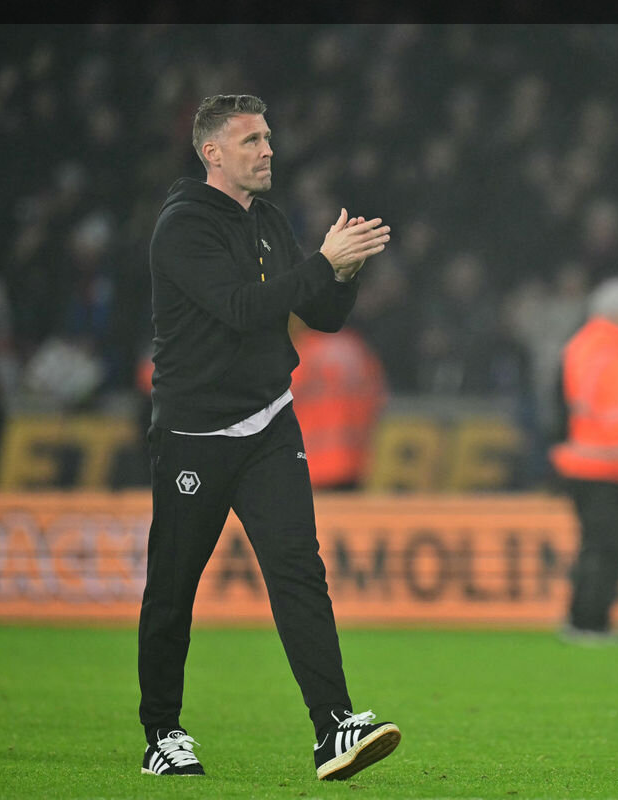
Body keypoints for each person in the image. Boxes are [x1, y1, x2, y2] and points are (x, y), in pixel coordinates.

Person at [139, 94, 399, 781]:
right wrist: (321, 262)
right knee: (173, 589)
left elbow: (320, 314)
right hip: (195, 433)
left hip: (268, 423)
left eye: (268, 137)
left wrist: (343, 273)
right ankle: (162, 732)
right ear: (212, 153)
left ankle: (333, 727)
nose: (267, 150)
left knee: (299, 571)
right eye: (251, 140)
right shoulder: (182, 226)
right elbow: (241, 309)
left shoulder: (268, 220)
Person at [550, 276, 618, 644]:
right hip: (608, 469)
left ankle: (581, 619)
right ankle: (591, 624)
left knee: (594, 547)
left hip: (584, 465)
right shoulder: (613, 353)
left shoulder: (582, 347)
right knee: (607, 549)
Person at [288, 315, 388, 490]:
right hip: (352, 459)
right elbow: (377, 396)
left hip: (311, 461)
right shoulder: (355, 348)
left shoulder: (303, 350)